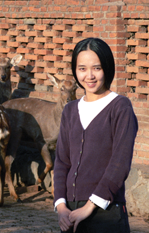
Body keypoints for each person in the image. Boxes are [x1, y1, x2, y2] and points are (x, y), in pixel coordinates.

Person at [53, 37, 139, 232]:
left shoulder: (120, 107)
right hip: (70, 214)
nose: (89, 76)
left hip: (105, 212)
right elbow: (62, 162)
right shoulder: (70, 110)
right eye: (82, 68)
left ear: (107, 68)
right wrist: (61, 206)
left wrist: (90, 206)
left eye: (97, 68)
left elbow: (120, 163)